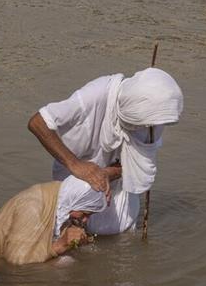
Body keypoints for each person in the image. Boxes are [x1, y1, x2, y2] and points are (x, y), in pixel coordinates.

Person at [27, 67, 183, 235]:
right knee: (68, 229)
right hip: (74, 170)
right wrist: (76, 165)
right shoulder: (95, 95)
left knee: (121, 229)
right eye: (141, 123)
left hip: (117, 180)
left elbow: (140, 165)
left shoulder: (153, 120)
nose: (146, 128)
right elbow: (37, 122)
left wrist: (107, 174)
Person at [0, 175, 107, 265]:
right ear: (74, 202)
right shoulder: (32, 208)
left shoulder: (62, 197)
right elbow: (18, 264)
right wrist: (60, 246)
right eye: (84, 214)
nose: (85, 221)